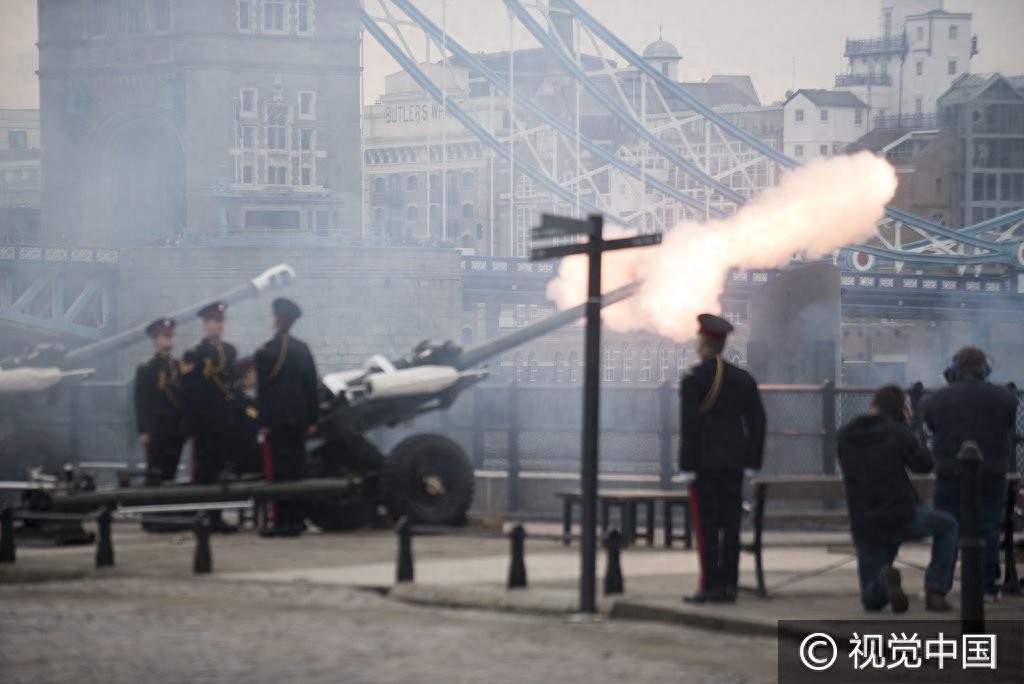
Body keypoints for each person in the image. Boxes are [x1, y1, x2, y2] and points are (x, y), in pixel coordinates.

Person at [838, 385, 958, 613]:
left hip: (865, 521)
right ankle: (935, 590)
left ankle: (884, 581)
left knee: (871, 602)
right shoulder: (898, 433)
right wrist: (909, 428)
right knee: (949, 525)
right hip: (901, 515)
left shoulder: (846, 434)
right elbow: (924, 464)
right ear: (900, 410)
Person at [680, 314, 766, 604]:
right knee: (730, 526)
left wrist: (686, 466)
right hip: (735, 465)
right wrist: (753, 460)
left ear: (702, 343)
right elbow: (757, 422)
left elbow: (689, 426)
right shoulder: (743, 379)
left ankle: (710, 585)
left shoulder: (693, 379)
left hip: (704, 466)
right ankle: (730, 584)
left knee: (707, 528)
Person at [921, 346, 1018, 602]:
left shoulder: (937, 399)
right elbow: (1008, 422)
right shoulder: (1006, 397)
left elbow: (930, 420)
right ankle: (985, 587)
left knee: (947, 528)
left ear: (954, 370)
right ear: (985, 369)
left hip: (950, 474)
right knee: (987, 528)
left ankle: (938, 585)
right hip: (991, 474)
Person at [255, 298, 319, 538]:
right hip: (300, 422)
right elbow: (311, 387)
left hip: (276, 424)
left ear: (276, 319)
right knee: (297, 470)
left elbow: (264, 392)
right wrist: (312, 419)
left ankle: (282, 521)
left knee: (279, 474)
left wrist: (263, 423)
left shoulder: (265, 351)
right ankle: (297, 519)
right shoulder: (302, 349)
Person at [181, 301, 238, 533]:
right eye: (215, 321)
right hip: (203, 422)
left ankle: (216, 516)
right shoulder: (194, 353)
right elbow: (188, 392)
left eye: (222, 321)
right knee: (202, 470)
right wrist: (190, 424)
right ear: (205, 323)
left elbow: (232, 386)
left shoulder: (230, 351)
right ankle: (201, 515)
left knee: (220, 470)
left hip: (223, 421)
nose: (219, 326)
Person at [134, 318, 188, 532]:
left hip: (175, 429)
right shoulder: (147, 369)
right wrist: (144, 430)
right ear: (155, 340)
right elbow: (141, 402)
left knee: (171, 473)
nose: (169, 341)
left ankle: (167, 515)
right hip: (156, 430)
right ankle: (151, 516)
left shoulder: (179, 367)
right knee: (155, 473)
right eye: (165, 337)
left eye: (171, 336)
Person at [229, 357, 264, 479]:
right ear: (245, 376)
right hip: (246, 454)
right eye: (253, 372)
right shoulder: (239, 400)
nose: (256, 375)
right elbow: (249, 423)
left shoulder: (251, 397)